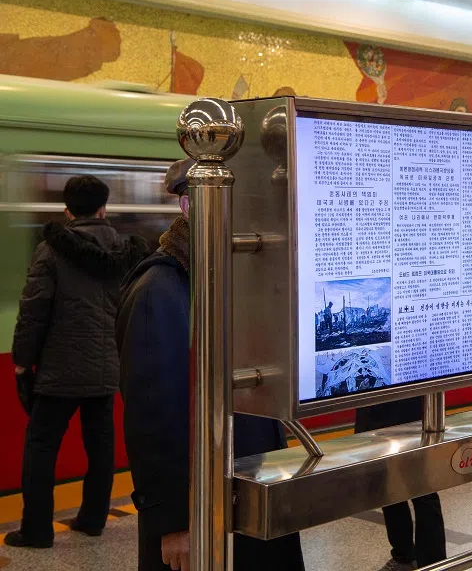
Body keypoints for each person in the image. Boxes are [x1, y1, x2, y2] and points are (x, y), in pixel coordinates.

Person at [116, 158, 304, 571]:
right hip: (200, 509)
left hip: (251, 485)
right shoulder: (160, 291)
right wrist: (174, 522)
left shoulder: (226, 278)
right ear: (190, 208)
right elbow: (155, 414)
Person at [6, 175, 147, 548]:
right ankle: (93, 518)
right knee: (100, 445)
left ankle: (36, 529)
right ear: (104, 208)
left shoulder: (51, 251)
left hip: (59, 371)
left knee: (41, 446)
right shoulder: (124, 249)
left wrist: (23, 362)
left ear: (67, 210)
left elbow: (33, 312)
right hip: (105, 368)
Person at [356, 398, 447, 571]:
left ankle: (433, 563)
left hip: (406, 412)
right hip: (372, 411)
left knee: (422, 489)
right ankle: (404, 555)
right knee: (385, 486)